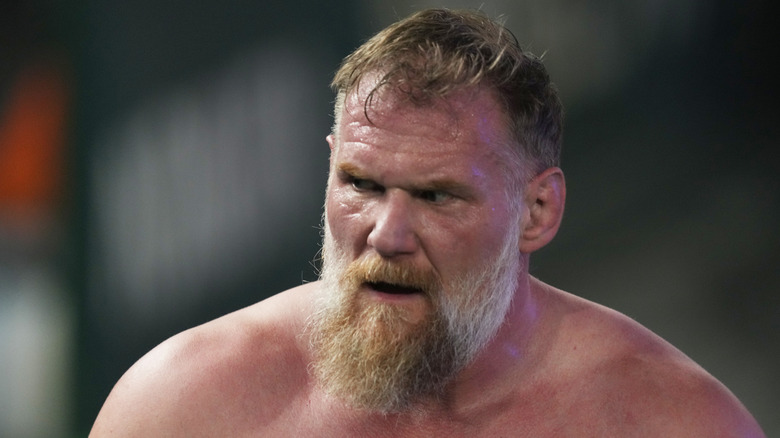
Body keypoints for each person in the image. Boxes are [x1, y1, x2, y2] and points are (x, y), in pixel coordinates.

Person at [90, 8, 765, 437]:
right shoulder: (185, 408)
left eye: (437, 197)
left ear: (538, 210)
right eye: (361, 184)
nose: (386, 235)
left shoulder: (667, 422)